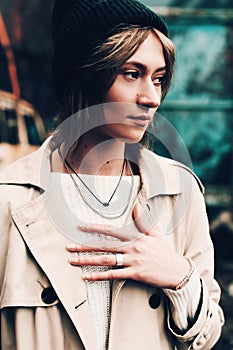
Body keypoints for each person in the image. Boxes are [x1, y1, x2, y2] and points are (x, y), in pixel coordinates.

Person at [0, 0, 224, 349]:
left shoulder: (180, 192)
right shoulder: (9, 198)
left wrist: (180, 279)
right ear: (88, 74)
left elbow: (208, 337)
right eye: (132, 74)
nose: (151, 97)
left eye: (159, 79)